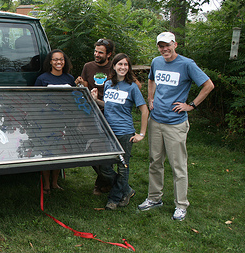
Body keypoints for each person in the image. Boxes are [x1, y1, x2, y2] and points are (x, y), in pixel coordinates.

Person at [138, 32, 214, 221]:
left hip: (175, 124)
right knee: (155, 161)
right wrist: (150, 97)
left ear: (175, 44)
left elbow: (208, 85)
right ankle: (154, 198)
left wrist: (191, 105)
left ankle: (181, 205)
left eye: (167, 45)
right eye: (161, 46)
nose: (164, 49)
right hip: (156, 120)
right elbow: (151, 79)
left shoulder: (187, 64)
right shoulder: (156, 61)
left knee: (178, 166)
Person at [91, 53, 149, 210]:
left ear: (128, 68)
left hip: (124, 133)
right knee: (103, 166)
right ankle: (127, 190)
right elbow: (109, 105)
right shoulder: (109, 84)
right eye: (120, 64)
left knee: (123, 168)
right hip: (108, 132)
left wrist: (141, 134)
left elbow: (144, 110)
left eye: (126, 65)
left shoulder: (132, 87)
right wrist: (96, 100)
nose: (123, 67)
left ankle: (115, 199)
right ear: (114, 66)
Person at [75, 39, 117, 195]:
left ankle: (103, 184)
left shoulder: (115, 67)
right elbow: (86, 85)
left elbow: (132, 84)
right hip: (90, 111)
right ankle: (109, 180)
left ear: (109, 54)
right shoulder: (88, 66)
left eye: (100, 52)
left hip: (109, 112)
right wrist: (81, 82)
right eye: (95, 51)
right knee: (89, 148)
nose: (96, 54)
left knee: (105, 148)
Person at [35, 49, 76, 193]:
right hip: (47, 122)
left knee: (60, 152)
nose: (59, 62)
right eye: (56, 59)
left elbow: (74, 99)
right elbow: (35, 100)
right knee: (47, 152)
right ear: (50, 62)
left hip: (63, 121)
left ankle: (55, 183)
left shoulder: (70, 79)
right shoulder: (42, 79)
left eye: (62, 59)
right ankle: (45, 185)